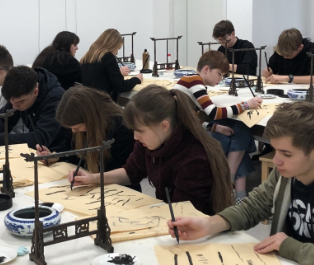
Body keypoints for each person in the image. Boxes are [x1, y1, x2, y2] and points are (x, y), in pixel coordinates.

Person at [167, 102, 314, 265]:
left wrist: (290, 247)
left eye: (286, 153)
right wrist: (209, 224)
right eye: (275, 150)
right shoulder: (288, 171)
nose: (277, 160)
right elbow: (253, 207)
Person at [73, 85, 233, 215]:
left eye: (140, 131)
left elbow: (182, 213)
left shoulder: (194, 159)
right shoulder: (151, 141)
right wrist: (92, 178)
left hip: (196, 230)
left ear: (164, 126)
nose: (135, 137)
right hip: (171, 218)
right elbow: (131, 172)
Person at [174, 51, 263, 203]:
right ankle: (229, 184)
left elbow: (190, 118)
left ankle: (234, 192)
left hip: (186, 130)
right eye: (219, 74)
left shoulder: (192, 81)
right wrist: (245, 105)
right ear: (206, 69)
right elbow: (213, 113)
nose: (221, 79)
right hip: (185, 136)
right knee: (240, 132)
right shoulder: (194, 81)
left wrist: (215, 128)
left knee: (236, 137)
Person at [36, 86, 138, 189]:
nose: (73, 131)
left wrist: (92, 178)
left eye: (77, 128)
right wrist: (55, 155)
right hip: (89, 183)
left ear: (89, 120)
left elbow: (126, 172)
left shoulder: (121, 128)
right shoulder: (80, 124)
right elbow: (70, 146)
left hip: (117, 189)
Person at [0, 66, 70, 150]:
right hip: (39, 154)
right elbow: (5, 118)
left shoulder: (55, 98)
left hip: (59, 154)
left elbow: (40, 139)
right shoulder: (19, 94)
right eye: (11, 102)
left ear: (36, 92)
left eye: (20, 102)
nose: (14, 107)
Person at [80, 28, 142, 101]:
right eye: (118, 48)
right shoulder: (108, 57)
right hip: (104, 103)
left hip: (88, 102)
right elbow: (121, 86)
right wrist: (136, 79)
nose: (117, 53)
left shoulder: (88, 57)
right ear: (112, 45)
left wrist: (118, 72)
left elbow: (100, 76)